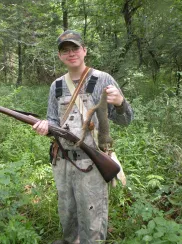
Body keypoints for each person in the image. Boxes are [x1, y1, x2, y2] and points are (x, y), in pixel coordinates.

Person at [32, 30, 133, 244]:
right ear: (60, 56)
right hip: (63, 162)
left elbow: (126, 121)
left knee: (92, 221)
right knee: (67, 215)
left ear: (84, 51)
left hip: (92, 162)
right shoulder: (57, 85)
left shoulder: (102, 79)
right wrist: (44, 127)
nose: (71, 53)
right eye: (65, 50)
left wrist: (121, 103)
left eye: (75, 48)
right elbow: (53, 121)